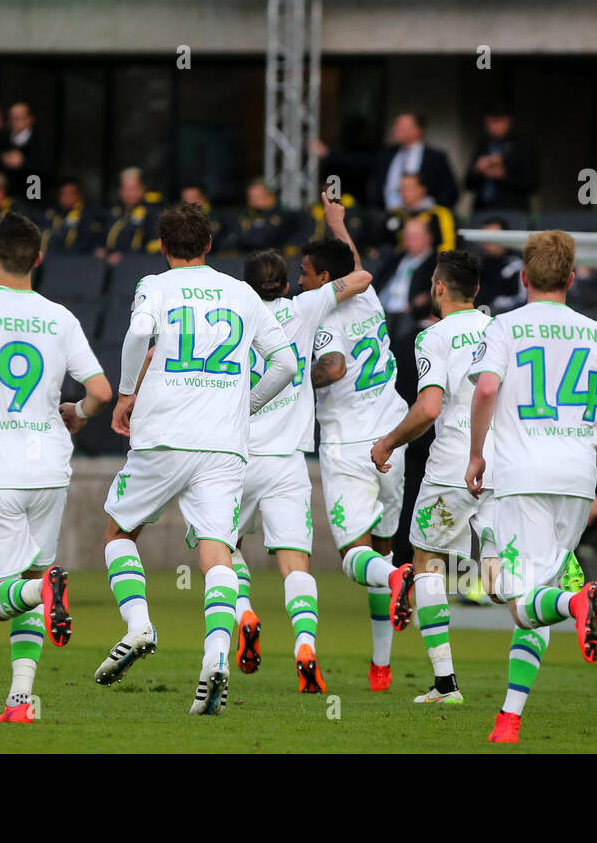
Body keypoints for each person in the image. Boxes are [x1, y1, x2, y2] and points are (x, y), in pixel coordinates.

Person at [93, 202, 297, 715]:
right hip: (223, 444)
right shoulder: (242, 293)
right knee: (217, 553)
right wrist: (245, 405)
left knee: (119, 533)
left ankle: (139, 625)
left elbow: (140, 334)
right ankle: (216, 656)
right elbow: (286, 364)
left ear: (163, 248)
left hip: (163, 434)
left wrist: (124, 394)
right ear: (210, 246)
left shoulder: (155, 286)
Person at [0, 212, 111, 723]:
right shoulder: (60, 316)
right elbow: (100, 391)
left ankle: (45, 589)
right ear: (38, 259)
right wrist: (77, 412)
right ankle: (20, 699)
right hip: (49, 470)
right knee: (33, 580)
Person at [466, 229, 597, 744]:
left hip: (521, 477)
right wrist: (596, 444)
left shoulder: (503, 326)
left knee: (515, 599)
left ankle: (577, 603)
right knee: (527, 597)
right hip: (576, 479)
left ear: (522, 278)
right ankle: (509, 718)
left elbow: (488, 388)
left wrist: (476, 452)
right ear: (570, 278)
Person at [230, 201, 374, 693]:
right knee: (295, 561)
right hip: (288, 462)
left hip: (234, 458)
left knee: (225, 547)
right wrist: (331, 268)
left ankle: (245, 615)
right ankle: (304, 644)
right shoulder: (303, 307)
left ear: (248, 287)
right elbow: (361, 279)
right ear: (288, 284)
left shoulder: (232, 316)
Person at [371, 249, 492, 705]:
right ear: (477, 290)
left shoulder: (433, 338)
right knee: (502, 577)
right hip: (506, 463)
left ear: (438, 287)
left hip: (455, 462)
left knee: (427, 561)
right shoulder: (501, 329)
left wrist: (387, 442)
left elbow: (428, 408)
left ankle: (446, 684)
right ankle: (568, 600)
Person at [307, 207, 414, 692]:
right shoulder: (368, 295)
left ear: (326, 279)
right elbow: (354, 261)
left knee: (355, 555)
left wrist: (289, 382)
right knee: (385, 546)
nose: (299, 282)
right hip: (392, 433)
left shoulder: (325, 315)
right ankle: (381, 667)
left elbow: (330, 368)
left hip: (349, 443)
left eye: (305, 275)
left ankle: (396, 581)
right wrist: (338, 224)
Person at [368, 110, 458, 212]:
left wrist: (430, 214)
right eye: (396, 125)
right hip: (387, 216)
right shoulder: (386, 154)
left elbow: (449, 192)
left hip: (422, 219)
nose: (395, 129)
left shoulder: (435, 158)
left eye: (400, 126)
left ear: (417, 130)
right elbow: (375, 185)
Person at [464, 106, 539, 214]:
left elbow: (532, 184)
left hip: (512, 211)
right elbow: (468, 184)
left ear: (508, 121)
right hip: (482, 209)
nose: (493, 126)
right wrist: (477, 171)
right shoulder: (483, 145)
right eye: (490, 122)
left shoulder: (523, 146)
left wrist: (504, 175)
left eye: (498, 121)